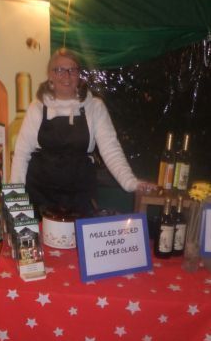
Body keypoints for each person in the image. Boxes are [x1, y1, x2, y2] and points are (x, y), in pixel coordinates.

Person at [10, 48, 156, 218]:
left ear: (79, 74)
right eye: (59, 70)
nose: (66, 75)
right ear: (50, 75)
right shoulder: (37, 107)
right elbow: (21, 154)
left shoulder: (94, 106)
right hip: (40, 195)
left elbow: (111, 150)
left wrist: (132, 183)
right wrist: (16, 197)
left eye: (72, 70)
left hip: (79, 197)